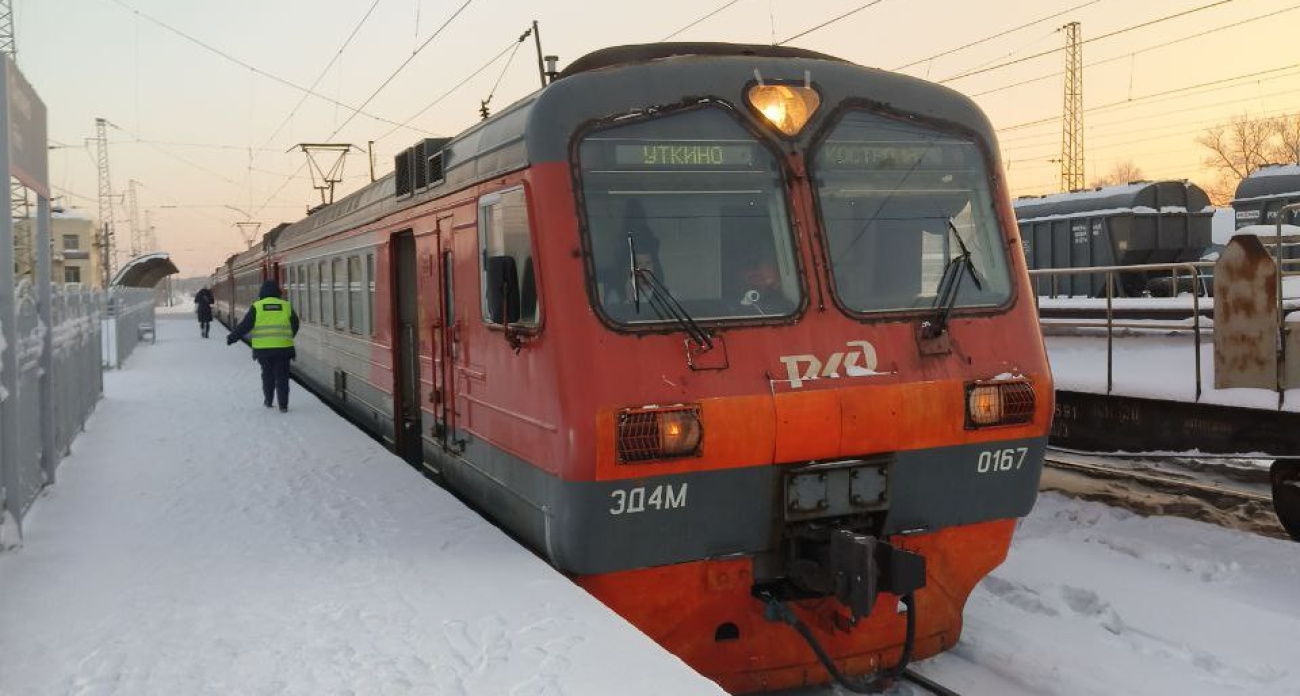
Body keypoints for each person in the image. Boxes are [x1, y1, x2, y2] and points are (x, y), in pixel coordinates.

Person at [226, 279, 300, 412]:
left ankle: (268, 401)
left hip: (263, 350)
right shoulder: (286, 306)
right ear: (277, 292)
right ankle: (283, 406)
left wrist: (232, 337)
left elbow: (245, 325)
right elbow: (295, 324)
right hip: (283, 349)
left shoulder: (257, 306)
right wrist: (288, 336)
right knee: (282, 377)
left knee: (267, 375)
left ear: (262, 292)